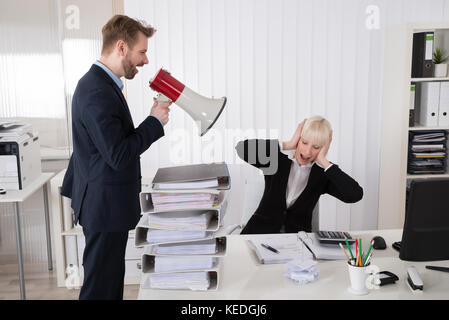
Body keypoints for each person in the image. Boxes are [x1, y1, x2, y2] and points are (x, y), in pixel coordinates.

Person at [60, 15, 171, 300]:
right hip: (103, 206)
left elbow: (108, 144)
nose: (145, 60)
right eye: (142, 52)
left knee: (108, 286)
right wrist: (154, 122)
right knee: (100, 289)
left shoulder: (102, 84)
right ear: (121, 47)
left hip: (104, 203)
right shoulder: (97, 90)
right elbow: (118, 155)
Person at [235, 115, 363, 234]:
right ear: (298, 139)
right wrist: (288, 144)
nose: (307, 151)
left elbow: (354, 195)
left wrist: (324, 162)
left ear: (324, 148)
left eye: (316, 147)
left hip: (297, 242)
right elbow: (242, 149)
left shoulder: (322, 173)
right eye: (304, 142)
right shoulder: (276, 159)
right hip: (259, 234)